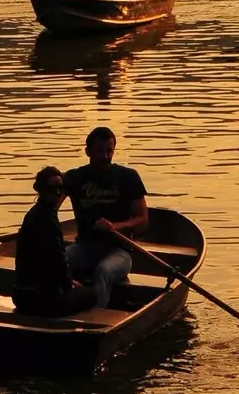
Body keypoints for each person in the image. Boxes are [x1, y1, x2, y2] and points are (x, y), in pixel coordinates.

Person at [60, 126, 149, 309]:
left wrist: (115, 227)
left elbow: (142, 219)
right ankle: (58, 307)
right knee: (57, 264)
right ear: (88, 151)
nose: (106, 156)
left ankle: (96, 319)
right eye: (99, 150)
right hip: (84, 246)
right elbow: (51, 206)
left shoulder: (128, 177)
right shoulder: (75, 177)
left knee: (104, 271)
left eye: (109, 150)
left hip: (120, 251)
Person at [12, 166, 96, 316]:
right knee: (91, 294)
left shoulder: (32, 214)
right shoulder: (49, 220)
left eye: (60, 188)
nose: (58, 193)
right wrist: (68, 283)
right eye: (51, 189)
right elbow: (58, 259)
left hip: (21, 297)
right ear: (40, 190)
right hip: (43, 301)